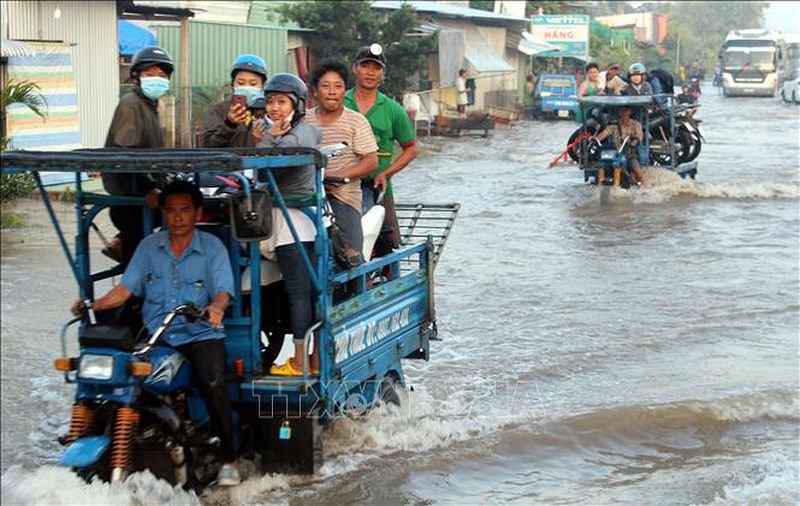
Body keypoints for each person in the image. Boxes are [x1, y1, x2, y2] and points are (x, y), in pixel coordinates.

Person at [70, 180, 240, 486]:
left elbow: (224, 291)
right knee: (114, 377)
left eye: (185, 210)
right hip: (156, 335)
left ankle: (229, 458)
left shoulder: (212, 247)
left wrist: (216, 308)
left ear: (197, 212)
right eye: (171, 210)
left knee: (213, 381)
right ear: (162, 212)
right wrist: (90, 305)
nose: (177, 217)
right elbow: (124, 290)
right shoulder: (149, 247)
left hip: (200, 334)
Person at [256, 73, 323, 376]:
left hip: (292, 222)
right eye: (270, 102)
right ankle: (309, 358)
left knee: (298, 294)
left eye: (281, 102)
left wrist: (269, 137)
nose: (275, 108)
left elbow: (265, 170)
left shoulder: (296, 136)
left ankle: (299, 361)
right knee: (306, 294)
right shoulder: (297, 132)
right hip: (298, 221)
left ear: (296, 104)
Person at [344, 44, 418, 259]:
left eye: (376, 68)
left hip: (378, 186)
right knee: (340, 237)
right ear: (355, 68)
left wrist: (386, 173)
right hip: (342, 184)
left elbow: (411, 149)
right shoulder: (341, 102)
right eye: (365, 66)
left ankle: (385, 279)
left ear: (382, 74)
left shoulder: (392, 109)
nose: (370, 72)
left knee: (388, 240)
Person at [101, 46, 174, 265]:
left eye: (161, 76)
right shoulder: (131, 104)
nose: (156, 80)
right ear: (136, 77)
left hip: (141, 195)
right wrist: (148, 188)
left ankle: (120, 242)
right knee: (137, 268)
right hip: (132, 198)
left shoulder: (149, 106)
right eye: (149, 74)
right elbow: (126, 153)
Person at [306, 58, 378, 268]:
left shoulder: (356, 121)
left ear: (344, 91)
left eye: (338, 86)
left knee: (351, 257)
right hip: (308, 196)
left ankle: (363, 288)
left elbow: (371, 161)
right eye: (325, 86)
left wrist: (342, 177)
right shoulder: (303, 120)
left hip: (342, 196)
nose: (331, 91)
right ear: (315, 91)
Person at [202, 54, 268, 148]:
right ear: (233, 84)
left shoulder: (269, 110)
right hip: (229, 162)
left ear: (263, 85)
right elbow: (209, 145)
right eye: (241, 83)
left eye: (253, 84)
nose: (247, 87)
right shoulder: (220, 110)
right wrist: (229, 124)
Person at [593, 106, 645, 185]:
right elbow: (604, 133)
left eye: (626, 110)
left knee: (638, 172)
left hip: (630, 154)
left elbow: (639, 136)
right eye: (622, 110)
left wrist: (636, 138)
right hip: (616, 154)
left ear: (630, 112)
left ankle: (643, 189)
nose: (624, 112)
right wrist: (595, 139)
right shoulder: (614, 125)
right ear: (619, 112)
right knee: (601, 166)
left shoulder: (636, 124)